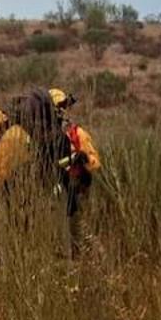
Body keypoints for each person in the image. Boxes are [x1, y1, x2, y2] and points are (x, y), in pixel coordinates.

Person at [50, 87, 102, 253]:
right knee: (59, 235)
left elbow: (95, 163)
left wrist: (84, 158)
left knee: (80, 229)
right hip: (55, 193)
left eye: (63, 108)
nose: (62, 112)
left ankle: (99, 262)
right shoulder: (45, 136)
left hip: (77, 190)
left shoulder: (77, 134)